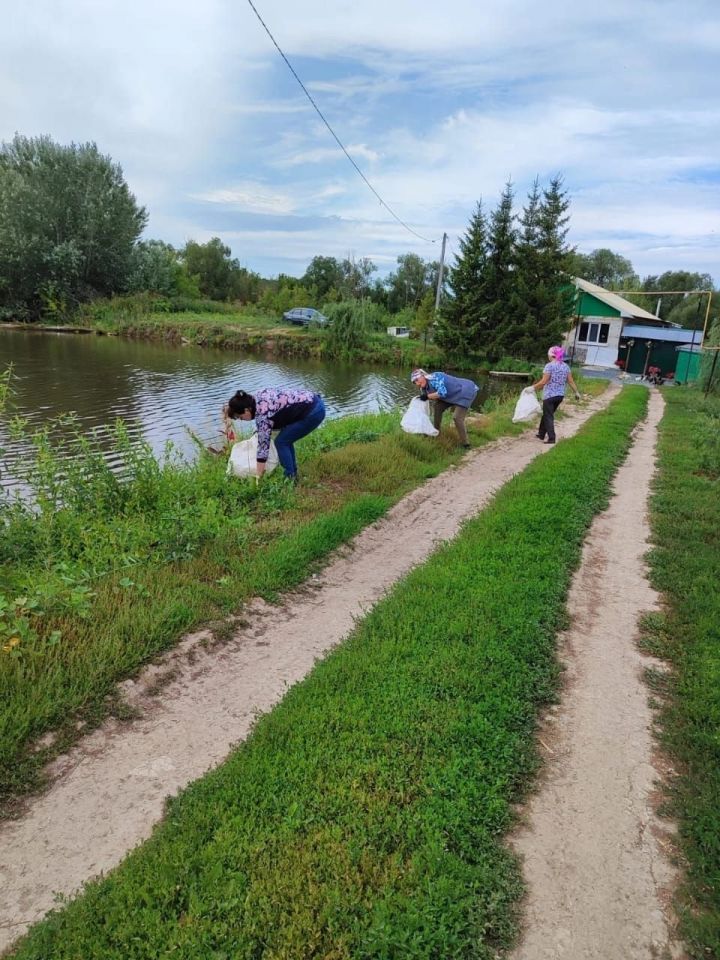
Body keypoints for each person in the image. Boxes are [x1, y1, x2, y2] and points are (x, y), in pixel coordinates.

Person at [225, 385, 326, 482]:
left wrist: (258, 477)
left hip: (313, 412)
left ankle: (290, 478)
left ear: (246, 410)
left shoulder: (262, 416)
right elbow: (275, 413)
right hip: (314, 401)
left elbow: (262, 451)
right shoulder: (258, 396)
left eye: (240, 417)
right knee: (286, 439)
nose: (242, 420)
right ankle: (293, 474)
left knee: (281, 442)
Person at [410, 369, 479, 448]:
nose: (417, 383)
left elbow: (442, 392)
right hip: (451, 395)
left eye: (417, 379)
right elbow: (429, 398)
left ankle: (465, 444)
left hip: (465, 391)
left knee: (457, 418)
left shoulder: (435, 377)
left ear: (423, 376)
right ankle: (436, 433)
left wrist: (427, 396)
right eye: (414, 382)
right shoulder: (423, 388)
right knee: (437, 407)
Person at [531, 346, 581, 444]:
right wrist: (576, 392)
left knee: (548, 416)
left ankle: (551, 438)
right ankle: (541, 434)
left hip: (549, 395)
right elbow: (570, 381)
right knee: (547, 414)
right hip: (560, 396)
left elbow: (543, 382)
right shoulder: (565, 366)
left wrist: (532, 388)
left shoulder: (549, 366)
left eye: (548, 355)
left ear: (551, 355)